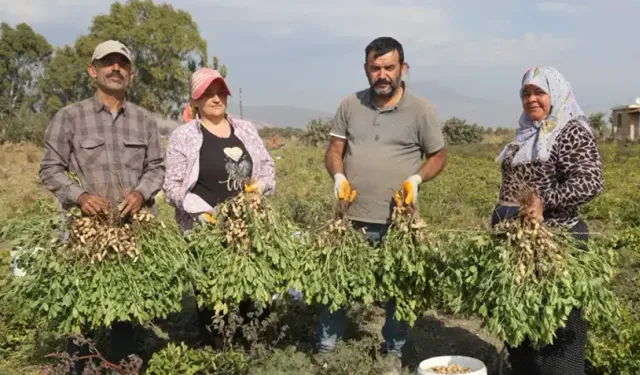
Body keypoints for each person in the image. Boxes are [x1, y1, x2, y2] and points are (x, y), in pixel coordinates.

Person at [320, 36, 447, 373]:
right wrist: (338, 176)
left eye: (389, 67)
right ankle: (326, 350)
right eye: (375, 68)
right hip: (350, 219)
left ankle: (393, 353)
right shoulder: (350, 104)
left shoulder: (421, 110)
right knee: (336, 282)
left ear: (402, 68)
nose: (382, 74)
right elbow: (334, 149)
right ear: (366, 69)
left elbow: (438, 155)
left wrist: (417, 180)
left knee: (398, 288)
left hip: (399, 221)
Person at [38, 40, 165, 369]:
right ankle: (77, 365)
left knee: (124, 309)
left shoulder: (145, 120)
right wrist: (79, 196)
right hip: (86, 234)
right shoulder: (69, 117)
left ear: (131, 74)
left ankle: (120, 364)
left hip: (131, 232)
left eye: (122, 64)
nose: (115, 68)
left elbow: (157, 168)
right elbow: (50, 168)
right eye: (107, 62)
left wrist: (140, 194)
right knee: (80, 308)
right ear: (92, 71)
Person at [492, 66, 604, 375]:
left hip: (559, 244)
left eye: (539, 92)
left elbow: (590, 181)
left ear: (555, 94)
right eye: (525, 93)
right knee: (522, 327)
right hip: (520, 245)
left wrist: (545, 201)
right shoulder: (524, 133)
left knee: (560, 327)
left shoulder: (570, 131)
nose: (531, 99)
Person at [162, 67, 275, 346]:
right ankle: (218, 355)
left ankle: (251, 352)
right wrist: (199, 210)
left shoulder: (245, 129)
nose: (215, 99)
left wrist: (259, 187)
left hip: (248, 227)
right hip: (206, 233)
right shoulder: (184, 136)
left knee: (252, 294)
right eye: (207, 94)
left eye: (219, 92)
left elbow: (268, 168)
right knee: (214, 301)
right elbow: (172, 185)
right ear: (195, 101)